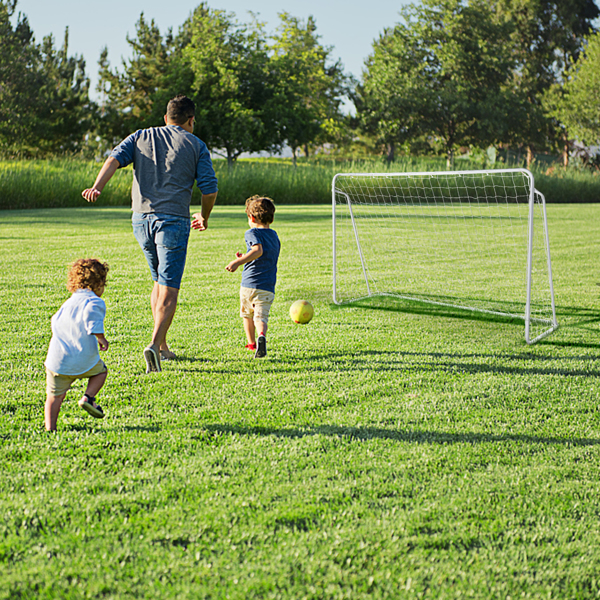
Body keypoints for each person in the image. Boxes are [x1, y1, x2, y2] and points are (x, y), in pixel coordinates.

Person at [82, 95, 218, 374]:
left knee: (157, 280)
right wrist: (203, 216)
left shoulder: (140, 136)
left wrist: (97, 187)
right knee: (169, 284)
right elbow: (209, 189)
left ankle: (163, 346)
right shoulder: (196, 145)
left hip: (140, 220)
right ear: (191, 120)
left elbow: (112, 160)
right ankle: (154, 346)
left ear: (166, 117)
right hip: (173, 221)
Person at [44, 258, 110, 432]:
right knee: (101, 372)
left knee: (54, 396)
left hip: (57, 361)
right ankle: (88, 397)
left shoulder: (68, 304)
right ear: (99, 284)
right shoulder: (94, 301)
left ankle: (50, 428)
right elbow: (92, 318)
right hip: (83, 358)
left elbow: (55, 322)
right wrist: (101, 337)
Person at [226, 196, 281, 358]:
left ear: (252, 217)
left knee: (247, 314)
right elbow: (263, 254)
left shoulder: (252, 232)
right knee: (260, 316)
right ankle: (261, 336)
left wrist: (238, 261)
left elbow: (258, 251)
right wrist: (246, 255)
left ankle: (251, 344)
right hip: (267, 287)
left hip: (249, 285)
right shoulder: (274, 235)